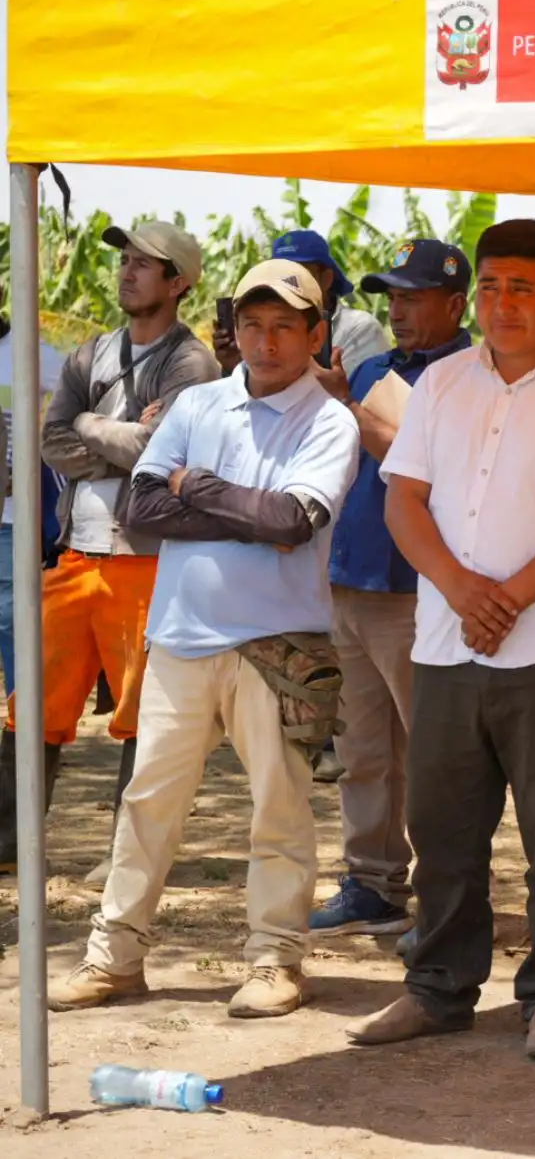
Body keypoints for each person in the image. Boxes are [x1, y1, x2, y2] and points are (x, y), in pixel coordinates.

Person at [348, 220, 535, 1062]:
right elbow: (403, 497)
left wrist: (509, 597)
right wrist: (460, 588)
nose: (501, 303)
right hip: (446, 645)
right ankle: (437, 987)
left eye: (521, 287)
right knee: (441, 829)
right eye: (488, 287)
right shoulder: (442, 384)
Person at [45, 260, 361, 1017]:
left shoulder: (329, 420)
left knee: (278, 808)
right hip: (182, 637)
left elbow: (292, 522)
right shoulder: (199, 404)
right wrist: (233, 505)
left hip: (278, 646)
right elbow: (143, 509)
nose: (266, 339)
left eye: (285, 324)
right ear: (235, 329)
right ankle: (114, 957)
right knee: (148, 799)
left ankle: (274, 959)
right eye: (252, 323)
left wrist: (195, 485)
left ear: (316, 333)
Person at [1, 223, 218, 882]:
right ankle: (9, 840)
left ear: (178, 282)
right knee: (33, 702)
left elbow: (165, 454)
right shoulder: (90, 353)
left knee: (138, 713)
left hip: (146, 558)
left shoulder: (192, 363)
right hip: (73, 553)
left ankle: (130, 854)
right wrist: (116, 432)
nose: (127, 272)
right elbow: (51, 440)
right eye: (124, 261)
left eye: (144, 264)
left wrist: (92, 428)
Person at [305, 238, 473, 938]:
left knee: (434, 753)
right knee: (364, 749)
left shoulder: (471, 376)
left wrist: (346, 406)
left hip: (418, 591)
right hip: (350, 581)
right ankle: (371, 879)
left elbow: (421, 467)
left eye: (413, 295)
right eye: (392, 296)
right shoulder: (374, 366)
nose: (398, 309)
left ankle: (449, 894)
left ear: (456, 302)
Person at [0, 315, 65, 696]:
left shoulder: (30, 354)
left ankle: (19, 734)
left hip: (11, 517)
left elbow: (82, 400)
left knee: (12, 621)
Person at [271, 229, 388, 378]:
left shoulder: (359, 328)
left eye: (299, 275)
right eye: (280, 276)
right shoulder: (266, 329)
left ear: (326, 279)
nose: (287, 284)